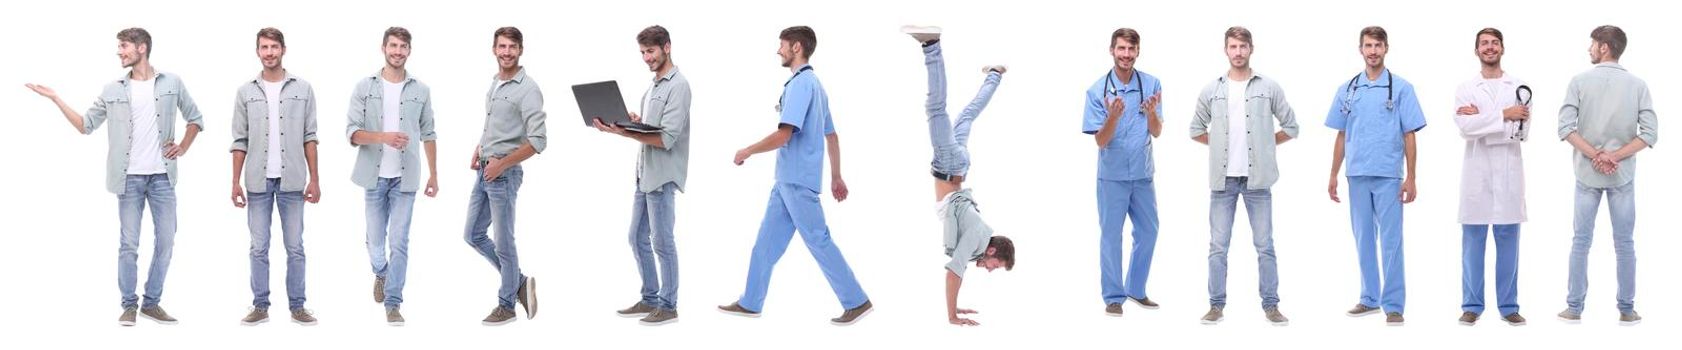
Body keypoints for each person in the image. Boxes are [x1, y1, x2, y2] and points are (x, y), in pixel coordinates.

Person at [24, 27, 204, 327]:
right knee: (129, 244)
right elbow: (85, 125)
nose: (119, 52)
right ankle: (129, 305)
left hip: (162, 178)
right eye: (119, 47)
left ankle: (152, 302)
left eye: (123, 47)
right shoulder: (112, 89)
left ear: (141, 48)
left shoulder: (172, 82)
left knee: (167, 241)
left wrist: (183, 147)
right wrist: (56, 98)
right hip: (128, 179)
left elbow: (196, 118)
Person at [716, 26, 874, 326]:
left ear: (797, 47)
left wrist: (747, 151)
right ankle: (751, 302)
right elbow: (833, 136)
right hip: (786, 182)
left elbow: (784, 135)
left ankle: (857, 301)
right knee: (764, 245)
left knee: (818, 240)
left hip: (797, 181)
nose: (778, 51)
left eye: (782, 45)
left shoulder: (802, 85)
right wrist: (836, 177)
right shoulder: (816, 85)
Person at [900, 25, 1018, 327]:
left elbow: (960, 267)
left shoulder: (980, 236)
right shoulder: (978, 239)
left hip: (959, 166)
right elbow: (954, 272)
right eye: (994, 265)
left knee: (966, 116)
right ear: (992, 250)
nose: (989, 269)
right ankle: (931, 44)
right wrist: (952, 315)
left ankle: (995, 73)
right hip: (949, 163)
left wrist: (958, 306)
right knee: (935, 108)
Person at [1188, 26, 1297, 326]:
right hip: (1222, 181)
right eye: (1233, 47)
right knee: (1217, 247)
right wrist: (1220, 144)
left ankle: (1271, 305)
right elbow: (1196, 129)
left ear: (1251, 48)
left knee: (1265, 245)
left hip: (1257, 181)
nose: (1238, 52)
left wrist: (1264, 143)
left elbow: (1292, 126)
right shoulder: (1212, 90)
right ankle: (1215, 305)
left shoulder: (1268, 87)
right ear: (1226, 50)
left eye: (1243, 47)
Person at [1324, 26, 1425, 326]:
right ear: (1360, 49)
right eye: (1368, 45)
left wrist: (1412, 177)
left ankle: (1393, 305)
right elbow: (1341, 135)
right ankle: (1369, 298)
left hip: (1388, 175)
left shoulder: (1402, 88)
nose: (1373, 51)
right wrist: (1332, 174)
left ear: (1386, 48)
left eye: (1378, 45)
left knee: (1391, 241)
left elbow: (1410, 135)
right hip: (1356, 174)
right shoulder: (1348, 88)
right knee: (1363, 238)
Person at [1555, 25, 1655, 327]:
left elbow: (1565, 129)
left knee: (1580, 241)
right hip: (1622, 174)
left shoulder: (1580, 81)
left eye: (1593, 45)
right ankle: (1627, 310)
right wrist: (1613, 156)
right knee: (1625, 243)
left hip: (1587, 172)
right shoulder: (1638, 85)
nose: (1589, 49)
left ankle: (1574, 308)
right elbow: (1649, 134)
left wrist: (1596, 155)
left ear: (1604, 48)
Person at [594, 25, 692, 327]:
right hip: (643, 174)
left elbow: (667, 138)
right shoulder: (654, 86)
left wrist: (624, 133)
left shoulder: (679, 85)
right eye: (642, 52)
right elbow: (653, 127)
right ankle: (650, 297)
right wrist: (633, 122)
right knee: (637, 237)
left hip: (662, 176)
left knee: (662, 241)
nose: (646, 57)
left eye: (650, 51)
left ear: (667, 47)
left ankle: (669, 305)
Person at [345, 26, 439, 326]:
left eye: (403, 46)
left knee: (399, 240)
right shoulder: (364, 87)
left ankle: (393, 302)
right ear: (383, 48)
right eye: (393, 45)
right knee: (375, 241)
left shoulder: (421, 90)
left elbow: (429, 133)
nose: (398, 51)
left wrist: (434, 175)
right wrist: (383, 137)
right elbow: (352, 134)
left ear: (409, 51)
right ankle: (381, 273)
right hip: (373, 179)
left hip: (405, 178)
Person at [232, 27, 322, 327]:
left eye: (274, 47)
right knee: (258, 247)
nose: (269, 52)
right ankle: (260, 306)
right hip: (257, 180)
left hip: (293, 180)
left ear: (283, 49)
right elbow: (239, 139)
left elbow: (310, 136)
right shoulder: (246, 92)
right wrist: (234, 182)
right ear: (257, 51)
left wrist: (315, 178)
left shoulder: (303, 88)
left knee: (295, 246)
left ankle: (298, 306)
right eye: (263, 47)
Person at [466, 26, 547, 326]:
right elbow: (498, 126)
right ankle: (520, 282)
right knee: (472, 234)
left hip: (503, 175)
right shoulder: (496, 83)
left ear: (521, 50)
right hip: (485, 170)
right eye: (502, 46)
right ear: (494, 50)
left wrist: (502, 164)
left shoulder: (528, 89)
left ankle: (506, 305)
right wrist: (480, 146)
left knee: (504, 243)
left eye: (512, 47)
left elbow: (538, 141)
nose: (507, 52)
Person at [1451, 27, 1529, 327]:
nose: (1489, 47)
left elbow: (1520, 133)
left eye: (1495, 42)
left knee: (1509, 242)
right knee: (1472, 242)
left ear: (1502, 48)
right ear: (1476, 50)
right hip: (1476, 175)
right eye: (1484, 43)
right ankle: (1472, 305)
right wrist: (1503, 115)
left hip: (1510, 174)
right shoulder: (1465, 88)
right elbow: (1463, 128)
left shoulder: (1520, 87)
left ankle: (1509, 306)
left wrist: (1481, 118)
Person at [1083, 27, 1163, 317]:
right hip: (1112, 177)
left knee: (1149, 231)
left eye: (1131, 49)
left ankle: (1136, 289)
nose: (1126, 54)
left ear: (1138, 51)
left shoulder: (1152, 84)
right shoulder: (1097, 90)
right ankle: (1114, 296)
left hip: (1142, 174)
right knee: (1111, 235)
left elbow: (1156, 131)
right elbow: (1100, 140)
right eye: (1121, 49)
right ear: (1112, 50)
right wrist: (1113, 117)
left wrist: (1152, 112)